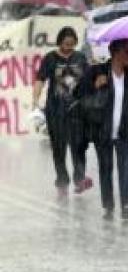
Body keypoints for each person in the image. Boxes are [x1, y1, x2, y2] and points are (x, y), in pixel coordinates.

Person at [78, 38, 128, 220]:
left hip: (125, 129)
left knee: (125, 168)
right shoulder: (97, 71)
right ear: (116, 52)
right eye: (127, 51)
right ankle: (108, 206)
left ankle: (127, 205)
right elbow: (79, 94)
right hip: (103, 129)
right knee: (106, 168)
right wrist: (94, 85)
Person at [32, 27, 92, 195]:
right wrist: (35, 100)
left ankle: (79, 179)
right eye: (66, 44)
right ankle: (62, 181)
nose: (68, 48)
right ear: (59, 42)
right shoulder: (50, 58)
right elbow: (39, 80)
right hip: (55, 110)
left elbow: (89, 80)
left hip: (77, 110)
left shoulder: (80, 58)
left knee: (78, 145)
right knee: (59, 148)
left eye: (72, 45)